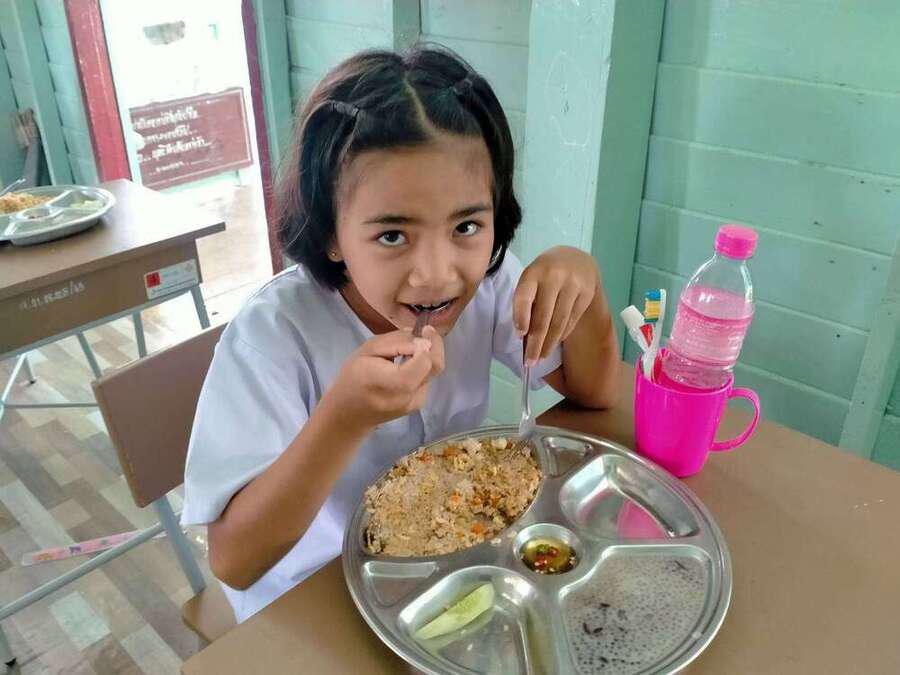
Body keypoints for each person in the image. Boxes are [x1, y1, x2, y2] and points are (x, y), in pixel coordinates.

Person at [181, 44, 619, 622]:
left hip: (445, 565)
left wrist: (586, 287)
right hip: (314, 596)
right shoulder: (273, 337)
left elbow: (597, 392)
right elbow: (234, 561)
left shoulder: (490, 284)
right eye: (392, 236)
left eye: (467, 226)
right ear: (331, 234)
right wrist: (342, 420)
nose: (436, 274)